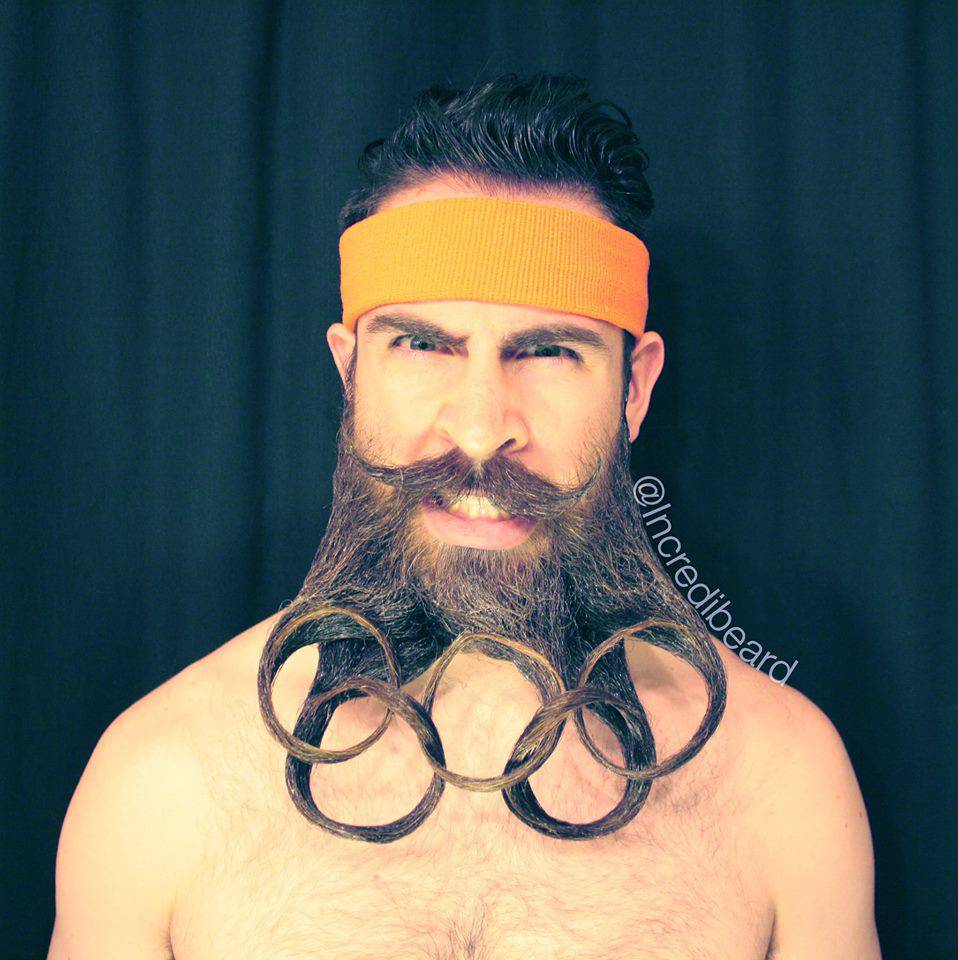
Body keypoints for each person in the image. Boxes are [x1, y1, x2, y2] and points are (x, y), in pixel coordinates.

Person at [47, 72, 881, 959]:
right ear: (350, 371)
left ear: (634, 389)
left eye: (549, 351)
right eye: (422, 345)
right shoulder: (162, 781)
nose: (481, 430)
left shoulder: (781, 783)